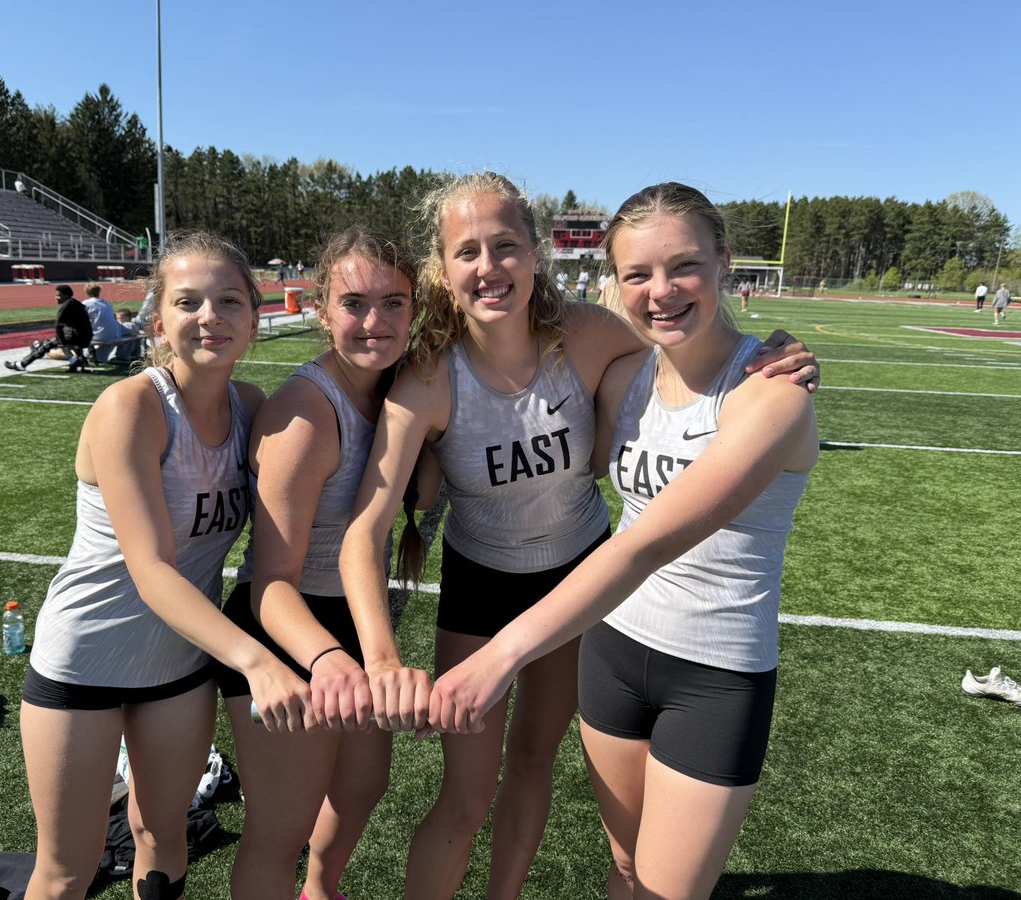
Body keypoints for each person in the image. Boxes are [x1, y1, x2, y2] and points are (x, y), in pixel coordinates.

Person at [337, 172, 817, 900]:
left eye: (506, 246)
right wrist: (379, 658)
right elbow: (364, 529)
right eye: (467, 251)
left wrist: (782, 355)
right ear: (443, 268)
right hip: (484, 584)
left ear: (537, 255)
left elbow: (689, 347)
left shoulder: (593, 336)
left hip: (585, 580)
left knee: (533, 766)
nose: (489, 266)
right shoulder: (431, 379)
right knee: (466, 799)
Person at [19, 232, 315, 900]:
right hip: (84, 660)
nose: (210, 316)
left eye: (229, 301)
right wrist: (257, 661)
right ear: (158, 323)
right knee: (67, 868)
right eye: (188, 302)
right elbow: (151, 569)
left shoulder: (252, 407)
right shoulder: (130, 407)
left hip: (179, 666)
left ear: (255, 319)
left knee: (162, 836)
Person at [214, 227, 425, 900]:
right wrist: (328, 658)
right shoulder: (306, 414)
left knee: (363, 784)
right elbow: (269, 581)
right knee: (280, 832)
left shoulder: (406, 388)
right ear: (320, 310)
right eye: (354, 303)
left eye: (393, 303)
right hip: (288, 632)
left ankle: (320, 889)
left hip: (353, 622)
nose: (374, 321)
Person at [5, 285, 93, 372]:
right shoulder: (77, 303)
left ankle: (22, 364)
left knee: (47, 344)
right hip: (86, 337)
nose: (56, 297)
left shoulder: (66, 306)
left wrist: (61, 341)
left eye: (58, 295)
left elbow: (58, 325)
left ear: (66, 295)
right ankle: (75, 362)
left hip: (77, 337)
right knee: (64, 343)